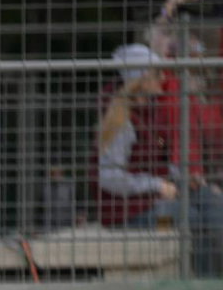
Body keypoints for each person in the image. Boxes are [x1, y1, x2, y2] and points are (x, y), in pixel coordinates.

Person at [95, 42, 223, 276]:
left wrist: (183, 178)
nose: (163, 77)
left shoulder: (151, 112)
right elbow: (108, 178)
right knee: (191, 218)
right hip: (129, 214)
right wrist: (157, 185)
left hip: (153, 201)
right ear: (141, 79)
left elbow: (157, 161)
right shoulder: (122, 120)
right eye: (156, 73)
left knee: (212, 202)